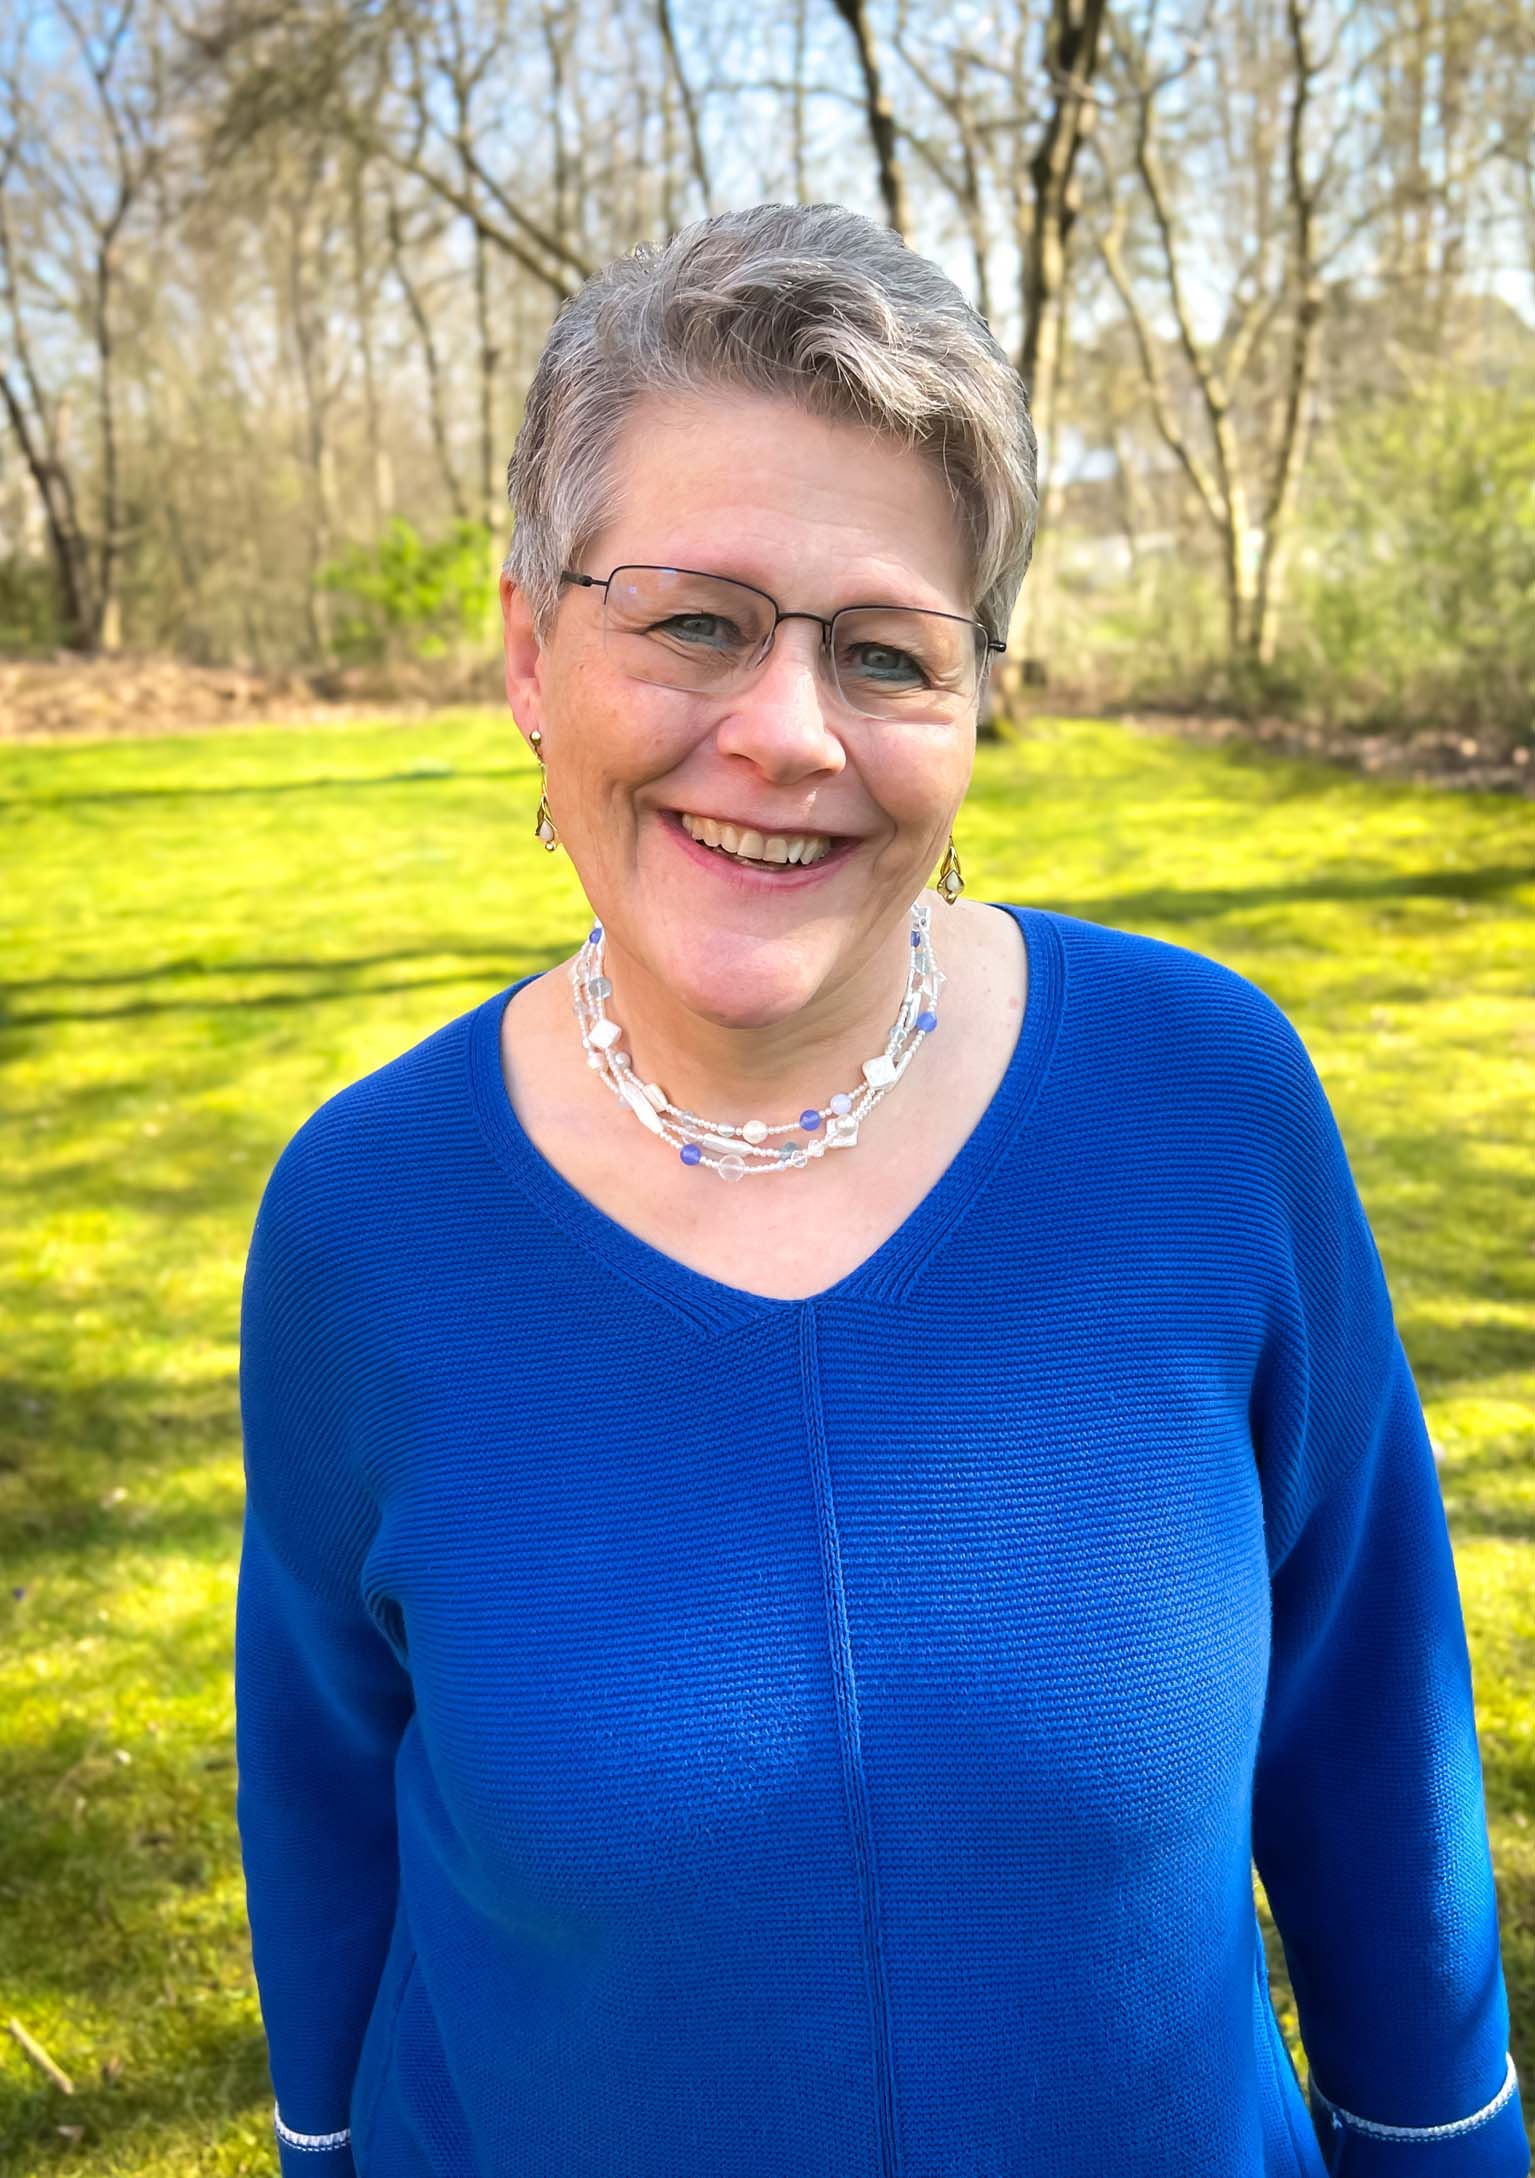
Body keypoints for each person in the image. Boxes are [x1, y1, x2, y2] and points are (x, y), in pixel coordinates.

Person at [233, 201, 1528, 2178]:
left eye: (884, 652)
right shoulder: (366, 1220)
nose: (785, 733)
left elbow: (1374, 1743)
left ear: (973, 701)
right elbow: (327, 1804)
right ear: (529, 650)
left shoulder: (1204, 1102)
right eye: (694, 619)